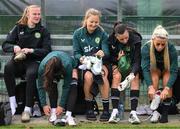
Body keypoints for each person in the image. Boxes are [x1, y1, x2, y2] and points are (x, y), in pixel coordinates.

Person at [2, 5, 51, 122]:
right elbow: (5, 45)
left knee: (31, 74)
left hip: (34, 61)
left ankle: (27, 109)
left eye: (39, 14)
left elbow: (47, 50)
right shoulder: (18, 28)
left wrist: (31, 50)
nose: (37, 16)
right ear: (28, 14)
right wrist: (14, 47)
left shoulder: (43, 31)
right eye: (34, 14)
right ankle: (12, 104)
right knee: (8, 67)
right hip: (18, 60)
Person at [73, 8, 110, 121]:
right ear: (86, 20)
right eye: (91, 22)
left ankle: (106, 110)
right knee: (88, 77)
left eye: (96, 22)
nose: (94, 24)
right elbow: (76, 53)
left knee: (102, 76)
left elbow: (107, 52)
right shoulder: (78, 33)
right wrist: (81, 58)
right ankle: (89, 109)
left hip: (99, 63)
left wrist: (102, 53)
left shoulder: (102, 33)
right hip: (86, 64)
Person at [141, 25, 178, 123]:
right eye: (158, 44)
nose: (160, 47)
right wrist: (150, 87)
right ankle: (155, 112)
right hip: (155, 69)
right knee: (154, 79)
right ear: (153, 40)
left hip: (167, 69)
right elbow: (145, 69)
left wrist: (166, 88)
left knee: (167, 79)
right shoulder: (146, 48)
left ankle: (165, 115)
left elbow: (174, 70)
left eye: (163, 44)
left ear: (166, 42)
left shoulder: (171, 49)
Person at [108, 22, 142, 124]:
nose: (124, 41)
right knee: (116, 76)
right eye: (121, 39)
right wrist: (117, 58)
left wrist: (132, 73)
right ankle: (115, 113)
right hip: (118, 64)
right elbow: (108, 57)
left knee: (135, 78)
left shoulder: (136, 39)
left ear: (128, 32)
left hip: (132, 65)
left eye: (126, 38)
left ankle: (133, 113)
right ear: (116, 36)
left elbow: (137, 60)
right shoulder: (111, 40)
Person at [37, 51, 76, 123]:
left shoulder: (67, 64)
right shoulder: (42, 67)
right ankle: (53, 111)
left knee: (73, 82)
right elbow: (40, 86)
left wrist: (61, 105)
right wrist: (44, 105)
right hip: (52, 69)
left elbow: (66, 86)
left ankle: (68, 114)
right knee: (51, 83)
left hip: (72, 65)